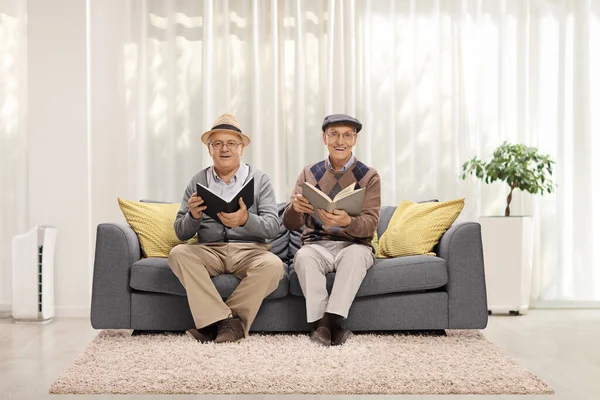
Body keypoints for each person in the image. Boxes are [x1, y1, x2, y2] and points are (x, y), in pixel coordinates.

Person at [169, 113, 283, 343]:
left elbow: (273, 227)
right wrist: (193, 216)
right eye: (217, 143)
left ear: (241, 148)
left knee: (274, 265)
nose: (224, 149)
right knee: (178, 254)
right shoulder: (198, 180)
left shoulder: (260, 180)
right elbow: (181, 232)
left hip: (250, 251)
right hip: (209, 250)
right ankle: (229, 324)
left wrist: (245, 220)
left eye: (231, 143)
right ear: (209, 150)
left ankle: (215, 323)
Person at [282, 114, 381, 346]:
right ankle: (330, 327)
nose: (340, 141)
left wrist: (347, 222)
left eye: (347, 135)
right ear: (324, 138)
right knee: (303, 257)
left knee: (356, 257)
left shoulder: (370, 176)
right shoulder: (309, 173)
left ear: (355, 139)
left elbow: (371, 223)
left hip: (354, 245)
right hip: (316, 245)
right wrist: (295, 209)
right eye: (334, 134)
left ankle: (324, 325)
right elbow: (289, 223)